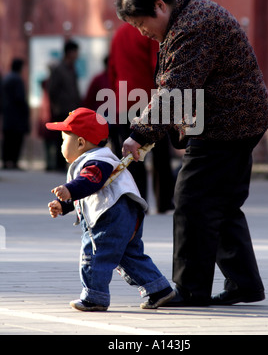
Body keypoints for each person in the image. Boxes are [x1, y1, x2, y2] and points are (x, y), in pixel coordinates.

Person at [115, 0, 268, 306]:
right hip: (233, 119)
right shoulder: (187, 17)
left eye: (143, 24)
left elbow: (175, 92)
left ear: (160, 5)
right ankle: (244, 284)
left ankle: (189, 289)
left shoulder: (192, 26)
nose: (143, 33)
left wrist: (139, 134)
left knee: (190, 200)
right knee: (222, 204)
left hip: (227, 123)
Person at [46, 107, 175, 311]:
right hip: (126, 214)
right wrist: (63, 205)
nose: (62, 145)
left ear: (80, 142)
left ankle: (94, 296)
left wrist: (69, 189)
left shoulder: (97, 161)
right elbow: (87, 191)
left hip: (111, 216)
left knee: (95, 253)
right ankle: (159, 289)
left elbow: (91, 182)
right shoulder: (100, 159)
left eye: (64, 140)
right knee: (129, 255)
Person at [109, 22, 175, 212]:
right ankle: (163, 202)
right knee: (161, 154)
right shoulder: (149, 31)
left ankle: (137, 202)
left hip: (123, 99)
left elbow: (112, 68)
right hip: (148, 99)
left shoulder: (119, 33)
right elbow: (157, 67)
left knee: (132, 156)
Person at [47, 39, 81, 170]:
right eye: (76, 52)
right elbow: (52, 89)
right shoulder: (59, 69)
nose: (77, 55)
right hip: (61, 109)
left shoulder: (72, 69)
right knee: (60, 138)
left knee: (70, 137)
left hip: (71, 109)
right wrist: (55, 106)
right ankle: (59, 164)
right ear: (69, 52)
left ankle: (64, 162)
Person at [1, 58, 30, 169]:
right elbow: (20, 98)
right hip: (17, 115)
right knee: (16, 139)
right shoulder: (17, 79)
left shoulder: (6, 78)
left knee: (8, 139)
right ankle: (13, 161)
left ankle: (5, 161)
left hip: (7, 114)